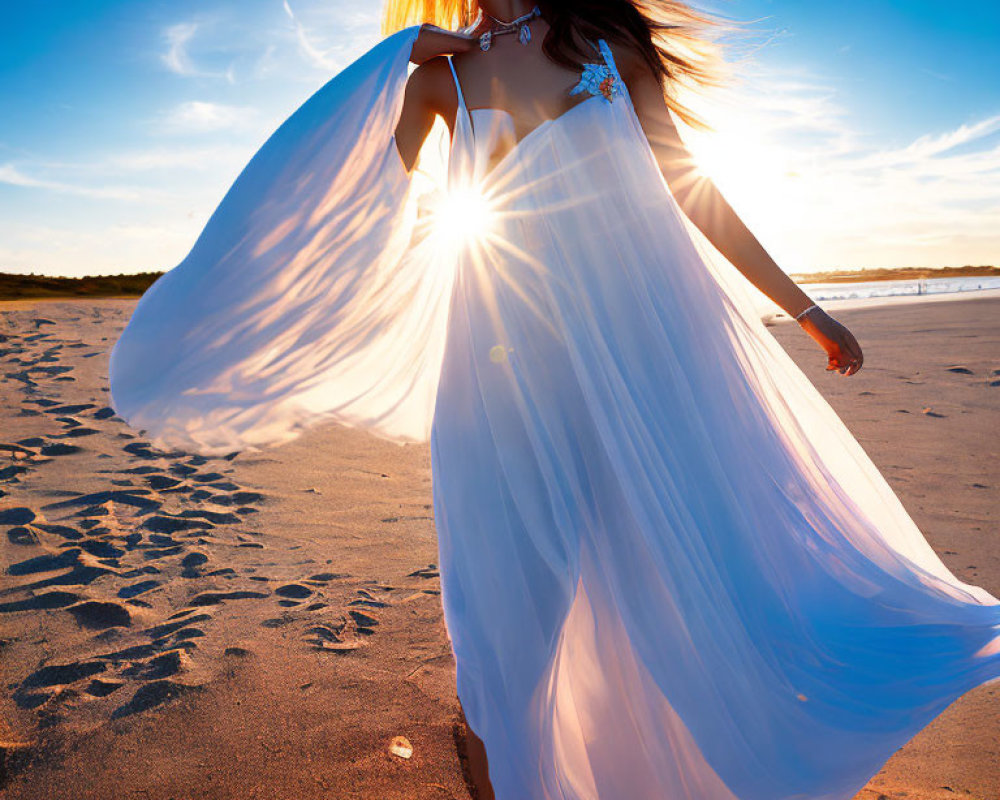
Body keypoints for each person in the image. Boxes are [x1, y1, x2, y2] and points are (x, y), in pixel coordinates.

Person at [109, 2, 1000, 798]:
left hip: (646, 338)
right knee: (510, 573)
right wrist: (393, 58)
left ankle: (686, 755)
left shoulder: (607, 40)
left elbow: (694, 187)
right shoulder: (436, 77)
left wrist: (802, 307)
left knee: (683, 543)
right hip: (504, 352)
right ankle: (516, 759)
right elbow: (350, 205)